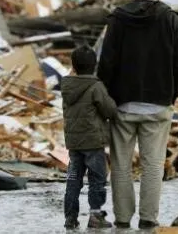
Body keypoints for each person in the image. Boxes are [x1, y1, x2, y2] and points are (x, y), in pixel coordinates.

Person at [97, 0, 178, 230]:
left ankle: (122, 218)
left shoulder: (118, 19)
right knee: (153, 165)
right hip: (158, 105)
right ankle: (148, 218)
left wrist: (107, 97)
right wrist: (172, 94)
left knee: (121, 165)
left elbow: (107, 63)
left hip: (123, 105)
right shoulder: (171, 19)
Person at [62, 45, 117, 230]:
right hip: (93, 142)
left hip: (74, 143)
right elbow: (109, 110)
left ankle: (70, 217)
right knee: (97, 179)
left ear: (74, 65)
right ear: (94, 65)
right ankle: (95, 215)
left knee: (73, 179)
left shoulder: (67, 86)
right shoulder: (96, 86)